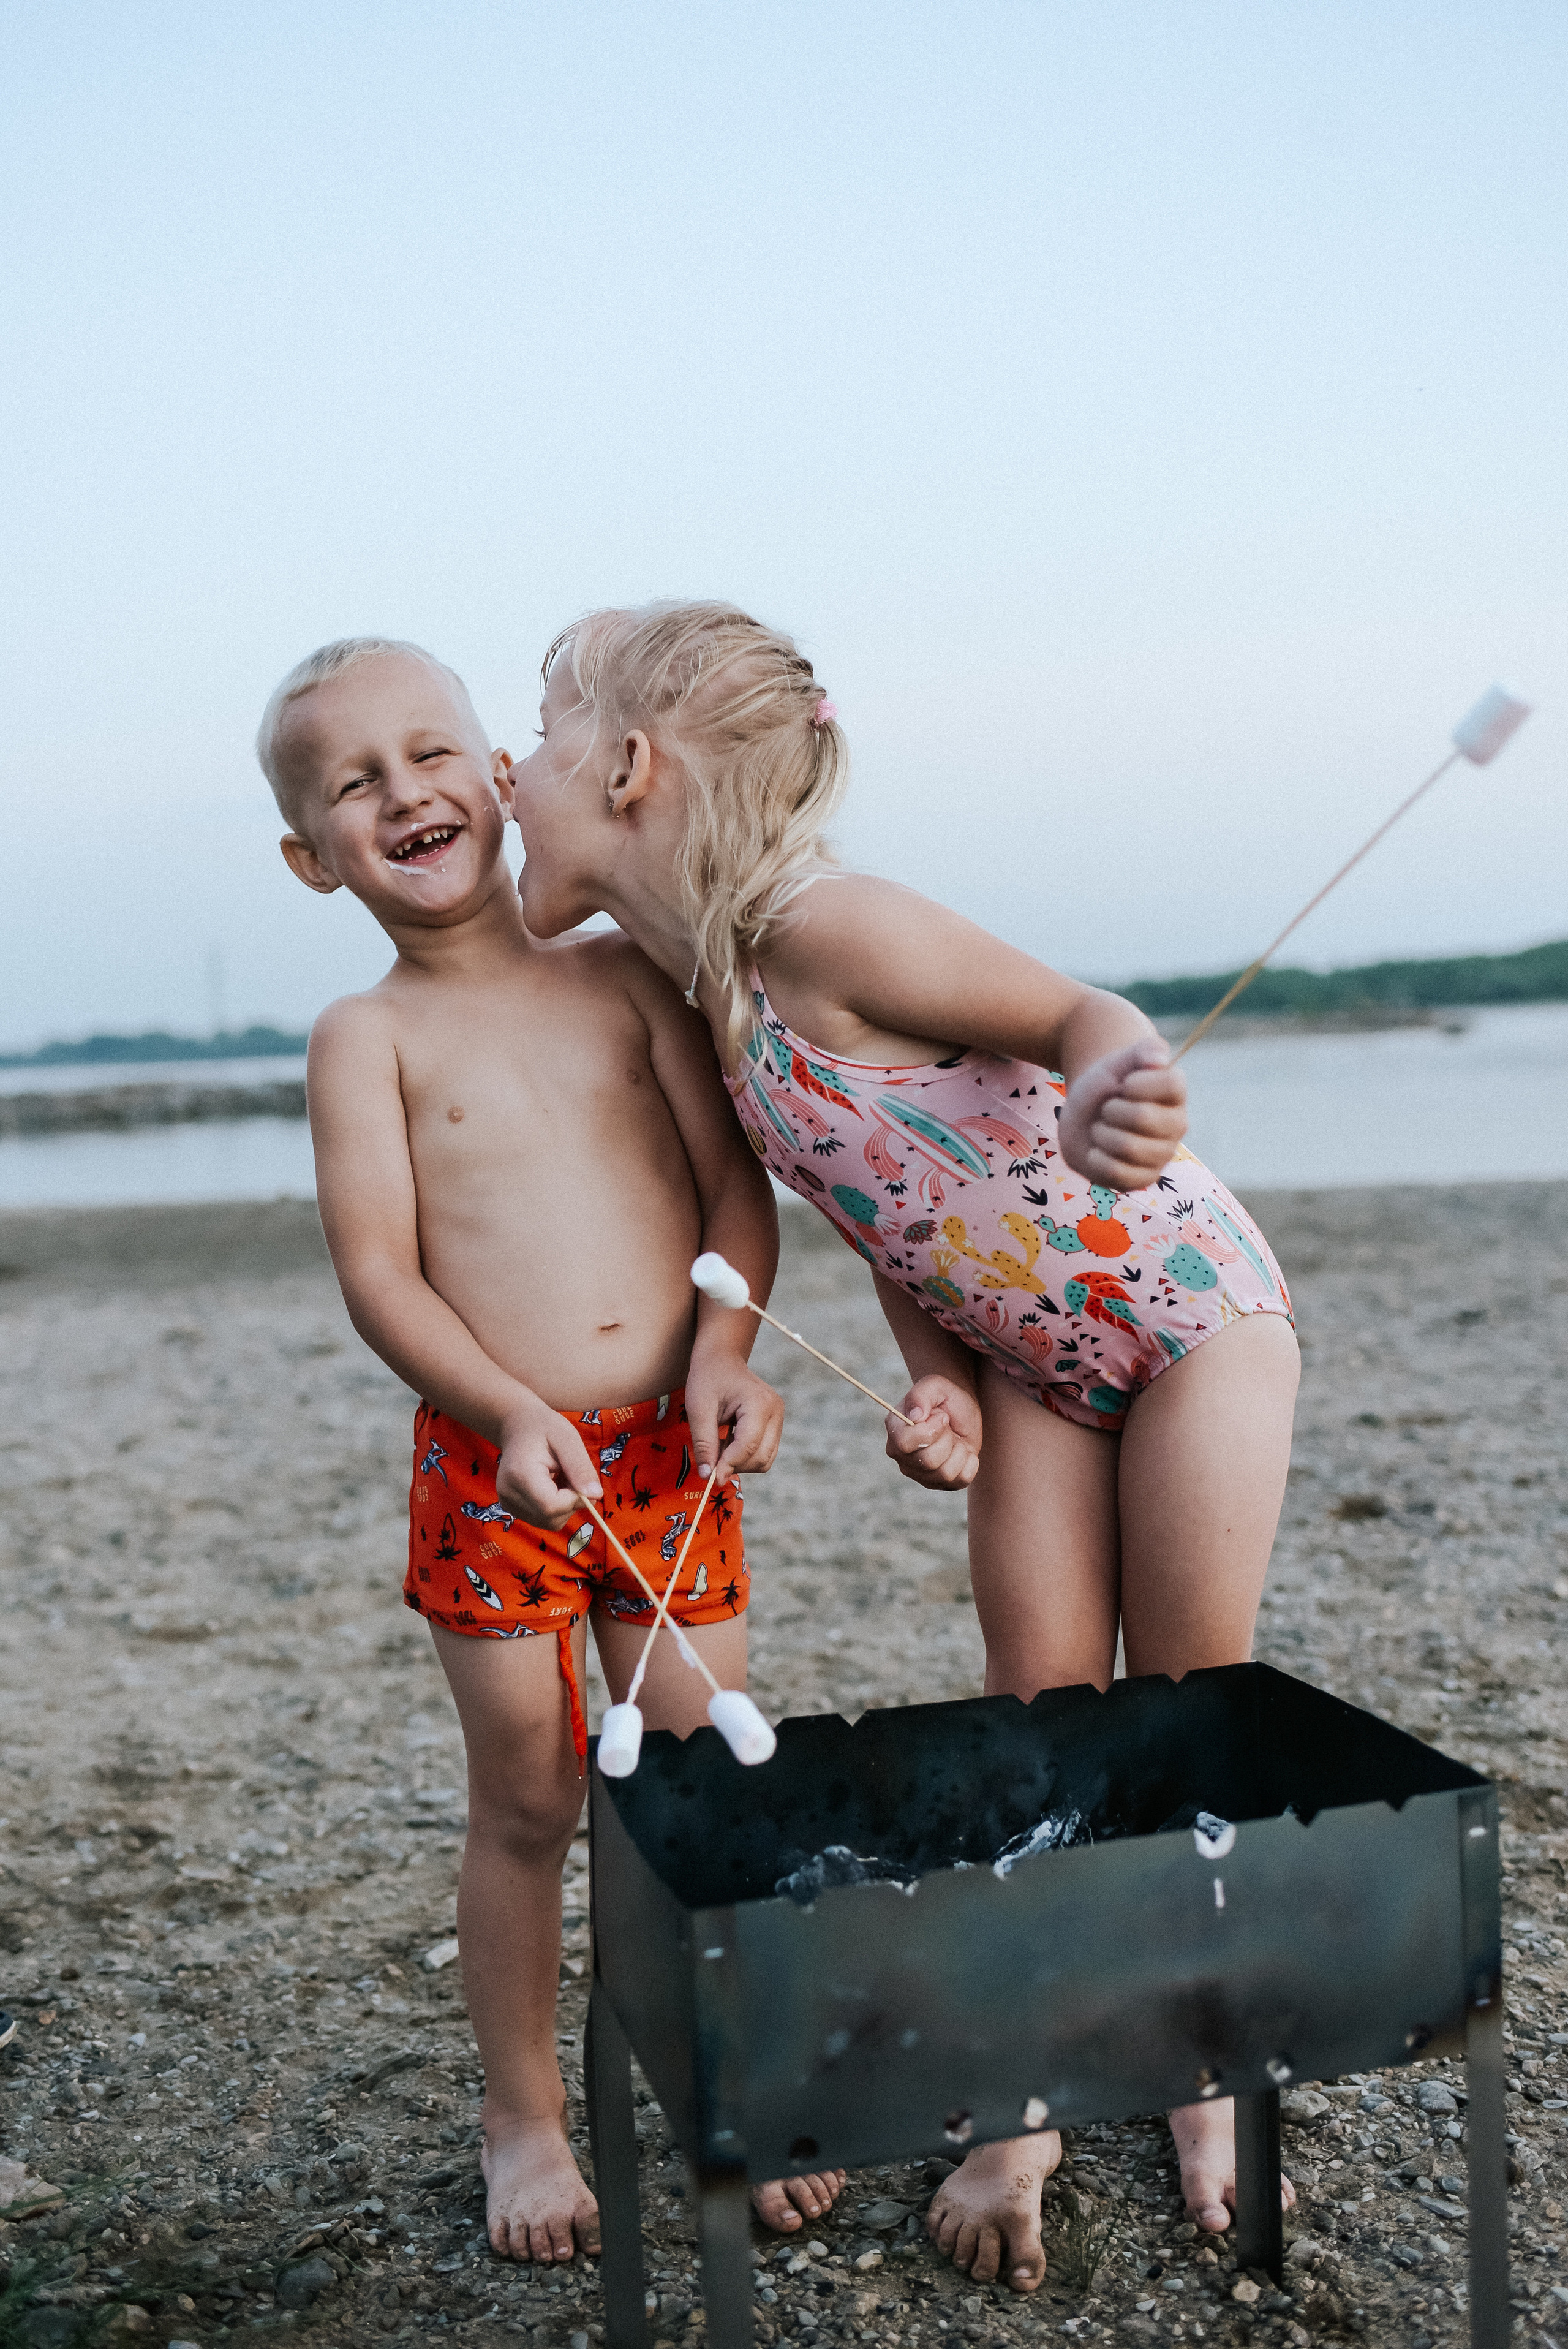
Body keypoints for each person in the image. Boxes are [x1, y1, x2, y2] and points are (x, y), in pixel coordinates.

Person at [508, 601, 1301, 2293]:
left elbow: (1083, 1015)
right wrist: (933, 1373)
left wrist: (1122, 1091)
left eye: (538, 731)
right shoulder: (708, 995)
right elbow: (892, 1200)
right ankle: (1033, 2093)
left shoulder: (826, 923)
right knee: (1037, 1723)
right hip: (1025, 1365)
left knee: (1184, 1705)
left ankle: (1202, 2053)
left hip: (1187, 1324)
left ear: (633, 770)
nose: (511, 768)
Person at [256, 635, 846, 2260]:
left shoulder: (617, 975)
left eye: (431, 752)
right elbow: (381, 1272)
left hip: (668, 1452)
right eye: (355, 783)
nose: (407, 792)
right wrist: (505, 1408)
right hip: (490, 1464)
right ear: (314, 857)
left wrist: (726, 1350)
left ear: (501, 779)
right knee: (525, 1792)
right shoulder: (362, 1039)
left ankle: (738, 2069)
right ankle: (525, 2117)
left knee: (697, 1775)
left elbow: (737, 1196)